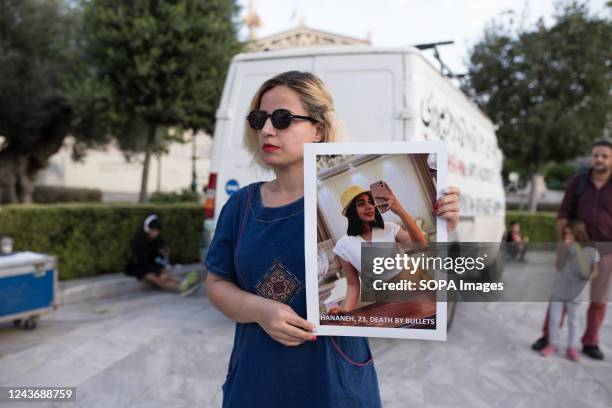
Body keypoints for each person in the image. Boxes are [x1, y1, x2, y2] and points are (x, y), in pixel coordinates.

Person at [205, 71, 461, 407]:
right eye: (259, 119)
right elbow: (216, 283)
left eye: (282, 119)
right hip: (257, 381)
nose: (267, 129)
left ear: (319, 130)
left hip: (333, 383)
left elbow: (424, 255)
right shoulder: (241, 205)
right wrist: (258, 309)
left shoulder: (383, 228)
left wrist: (445, 225)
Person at [532, 139, 612, 360]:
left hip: (606, 252)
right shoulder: (579, 182)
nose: (599, 159)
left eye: (605, 156)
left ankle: (590, 342)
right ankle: (548, 337)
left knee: (598, 300)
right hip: (577, 250)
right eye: (596, 155)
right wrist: (563, 245)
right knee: (561, 295)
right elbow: (564, 214)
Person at [329, 185, 429, 313]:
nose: (369, 206)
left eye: (370, 202)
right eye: (361, 203)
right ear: (351, 212)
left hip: (413, 289)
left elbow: (422, 246)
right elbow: (353, 284)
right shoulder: (343, 246)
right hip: (384, 300)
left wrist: (400, 211)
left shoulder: (389, 228)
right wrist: (345, 309)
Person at [540, 221, 600, 362]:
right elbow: (558, 266)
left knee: (574, 321)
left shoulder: (591, 251)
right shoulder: (563, 247)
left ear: (578, 233)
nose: (567, 235)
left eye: (570, 233)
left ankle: (571, 348)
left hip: (576, 292)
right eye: (566, 233)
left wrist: (577, 251)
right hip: (560, 289)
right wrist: (564, 250)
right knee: (554, 319)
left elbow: (594, 272)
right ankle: (552, 344)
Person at [125, 214, 200, 295]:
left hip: (152, 264)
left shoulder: (157, 239)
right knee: (159, 279)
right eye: (153, 230)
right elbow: (142, 260)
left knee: (166, 275)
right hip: (140, 267)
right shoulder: (139, 241)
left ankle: (185, 282)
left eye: (157, 231)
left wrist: (162, 267)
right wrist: (158, 272)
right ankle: (181, 287)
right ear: (147, 229)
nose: (156, 233)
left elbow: (158, 255)